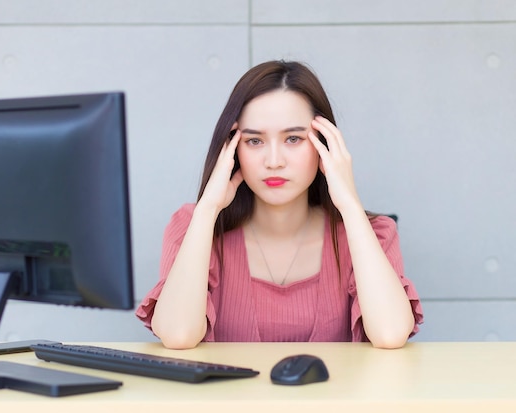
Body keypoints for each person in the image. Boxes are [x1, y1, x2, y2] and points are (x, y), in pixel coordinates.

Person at [136, 60, 423, 349]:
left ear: (324, 145)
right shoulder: (192, 227)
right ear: (232, 149)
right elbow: (177, 335)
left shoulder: (374, 233)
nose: (274, 161)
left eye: (294, 138)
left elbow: (390, 333)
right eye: (254, 142)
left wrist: (349, 203)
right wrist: (208, 209)